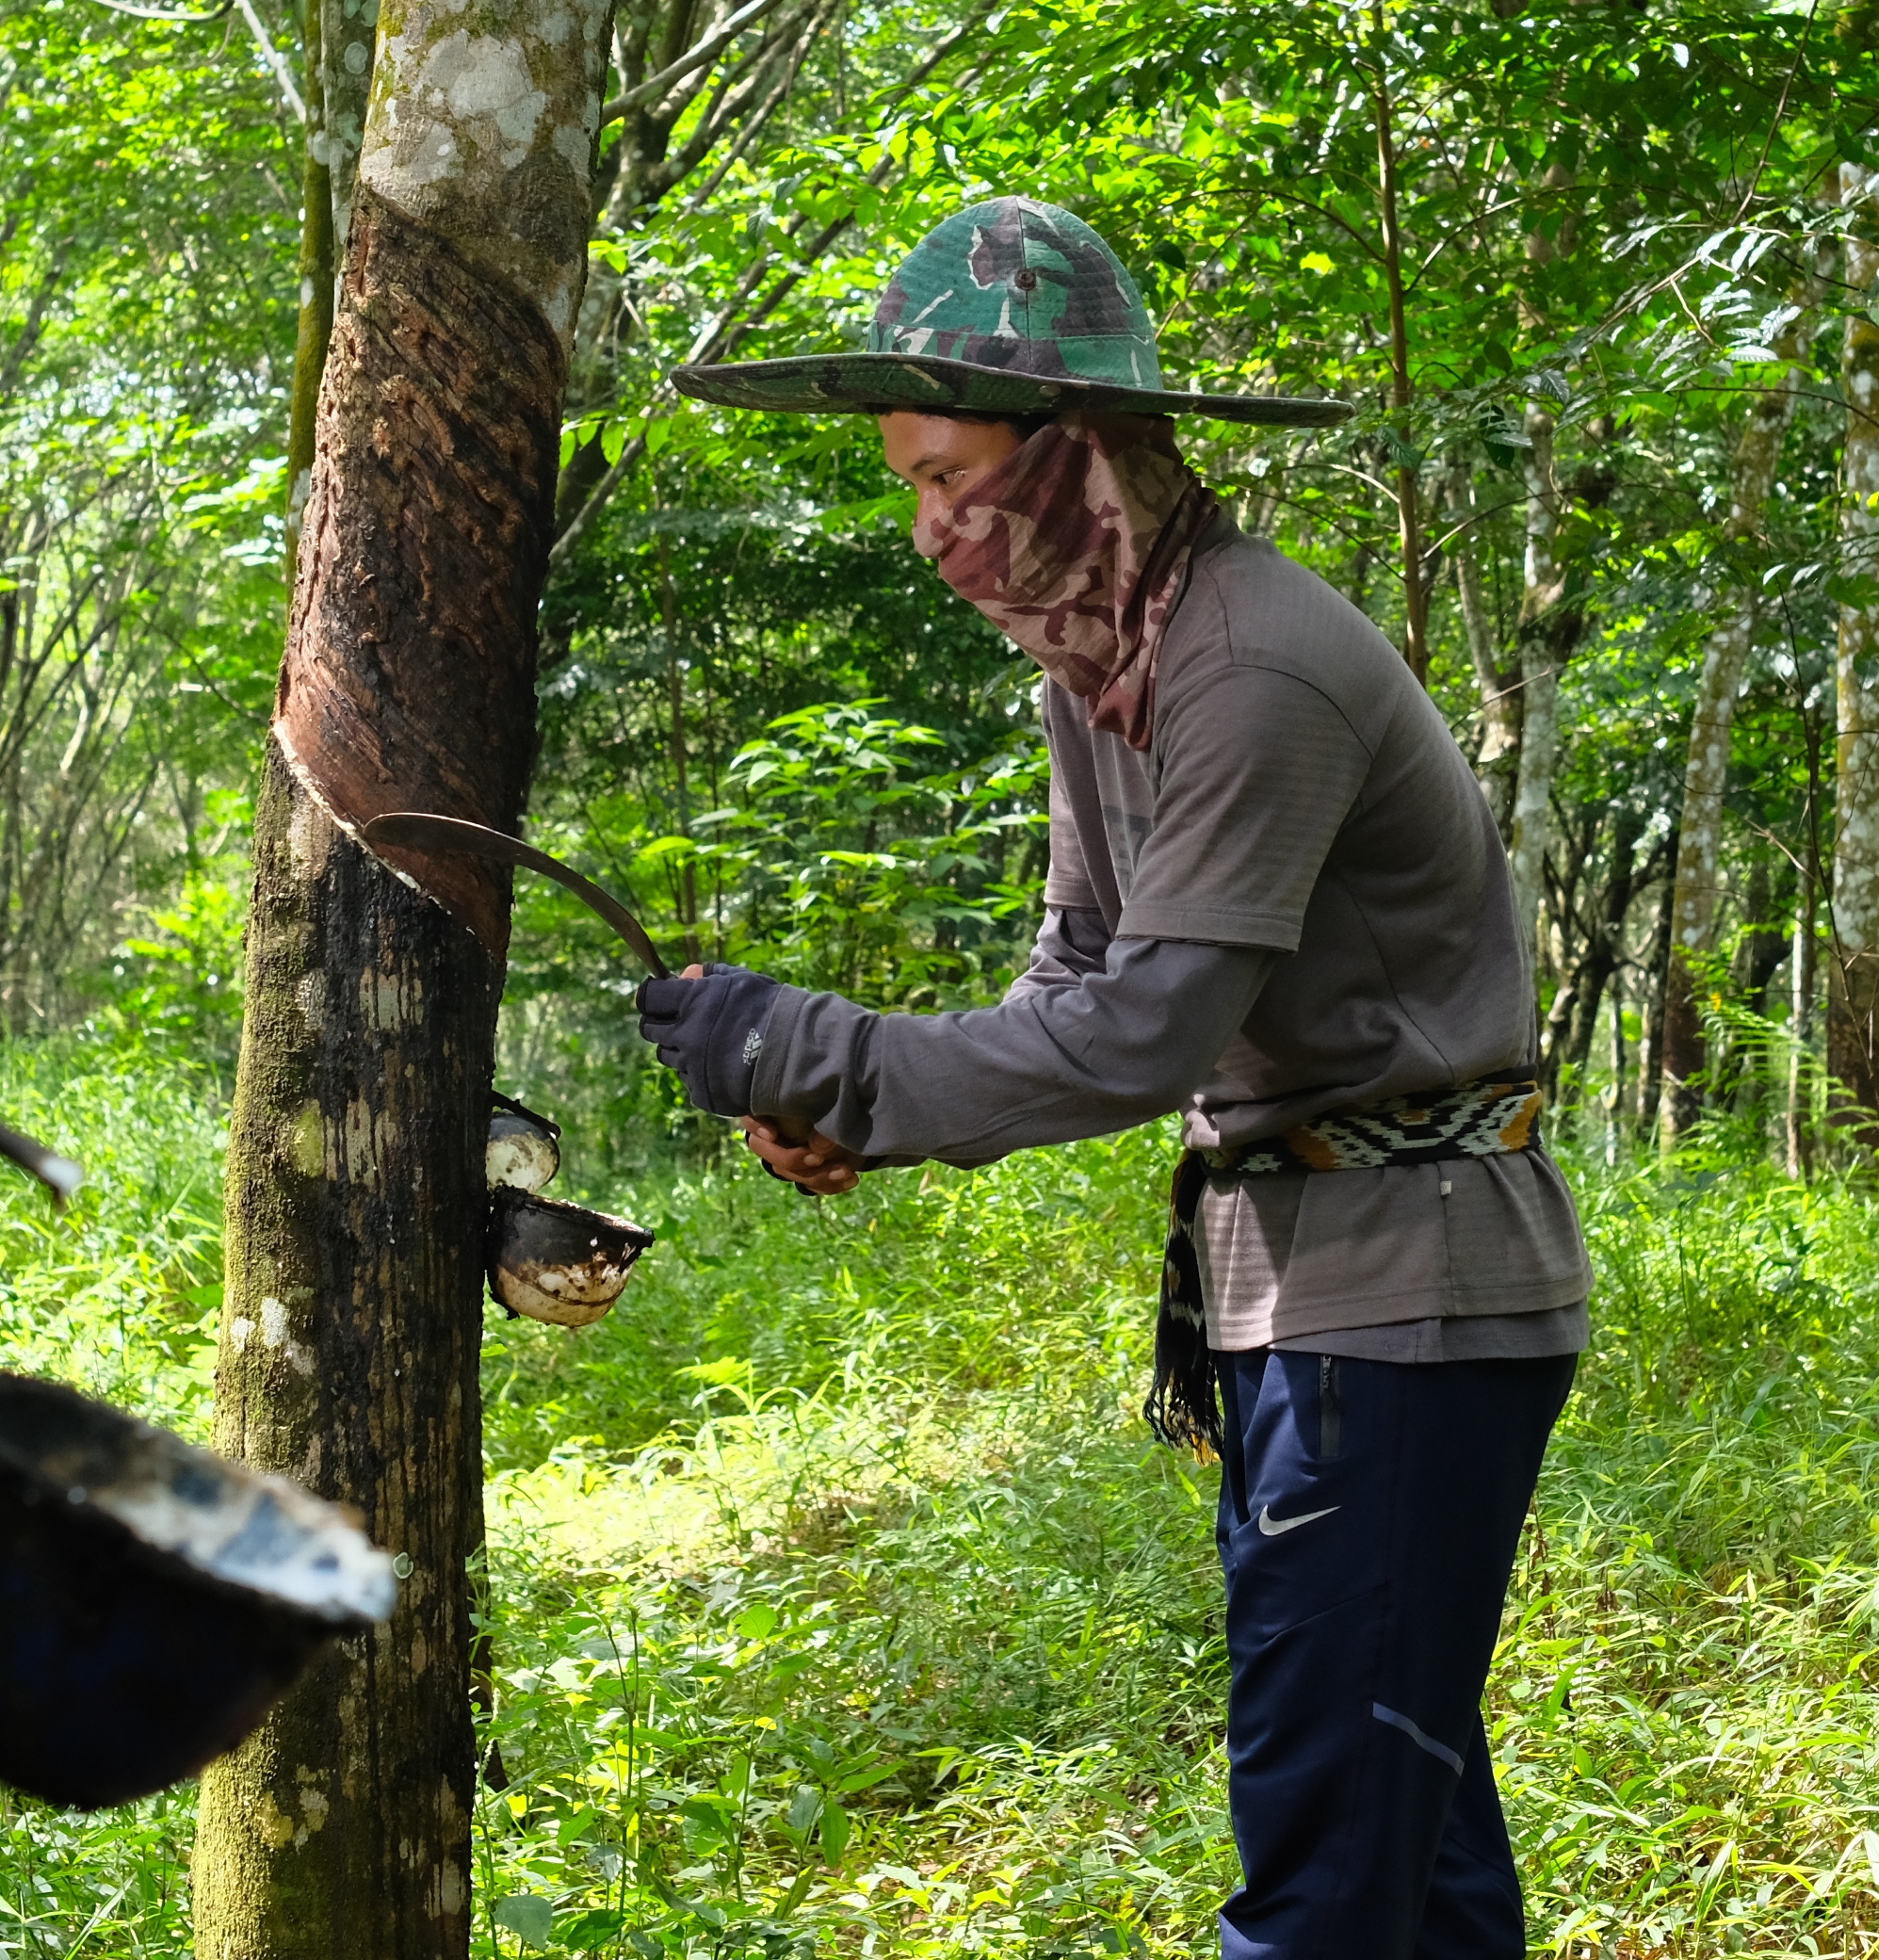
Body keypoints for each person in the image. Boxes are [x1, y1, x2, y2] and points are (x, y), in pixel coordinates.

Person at [633, 196, 1589, 1960]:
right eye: (906, 484)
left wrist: (818, 1050)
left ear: (1073, 458)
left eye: (948, 479)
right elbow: (1075, 973)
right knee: (1407, 1830)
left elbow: (1146, 1036)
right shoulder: (1108, 664)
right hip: (1306, 1287)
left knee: (1325, 1861)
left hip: (1408, 1297)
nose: (926, 532)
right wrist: (856, 1102)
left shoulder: (1247, 664)